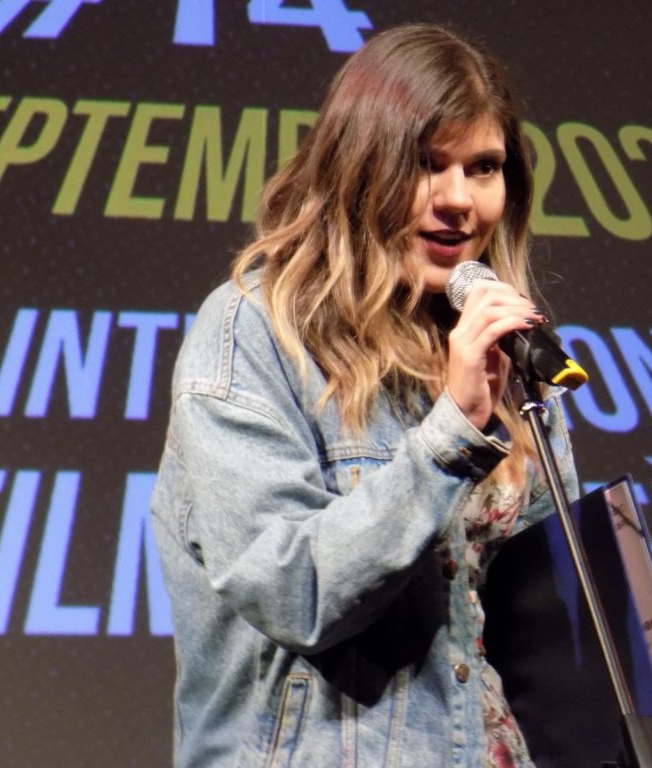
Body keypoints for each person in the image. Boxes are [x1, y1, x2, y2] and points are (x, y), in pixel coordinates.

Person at [151, 23, 578, 768]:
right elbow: (292, 590)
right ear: (358, 169)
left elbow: (547, 633)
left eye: (483, 167)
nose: (458, 199)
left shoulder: (501, 350)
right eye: (426, 164)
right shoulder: (257, 331)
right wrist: (451, 436)